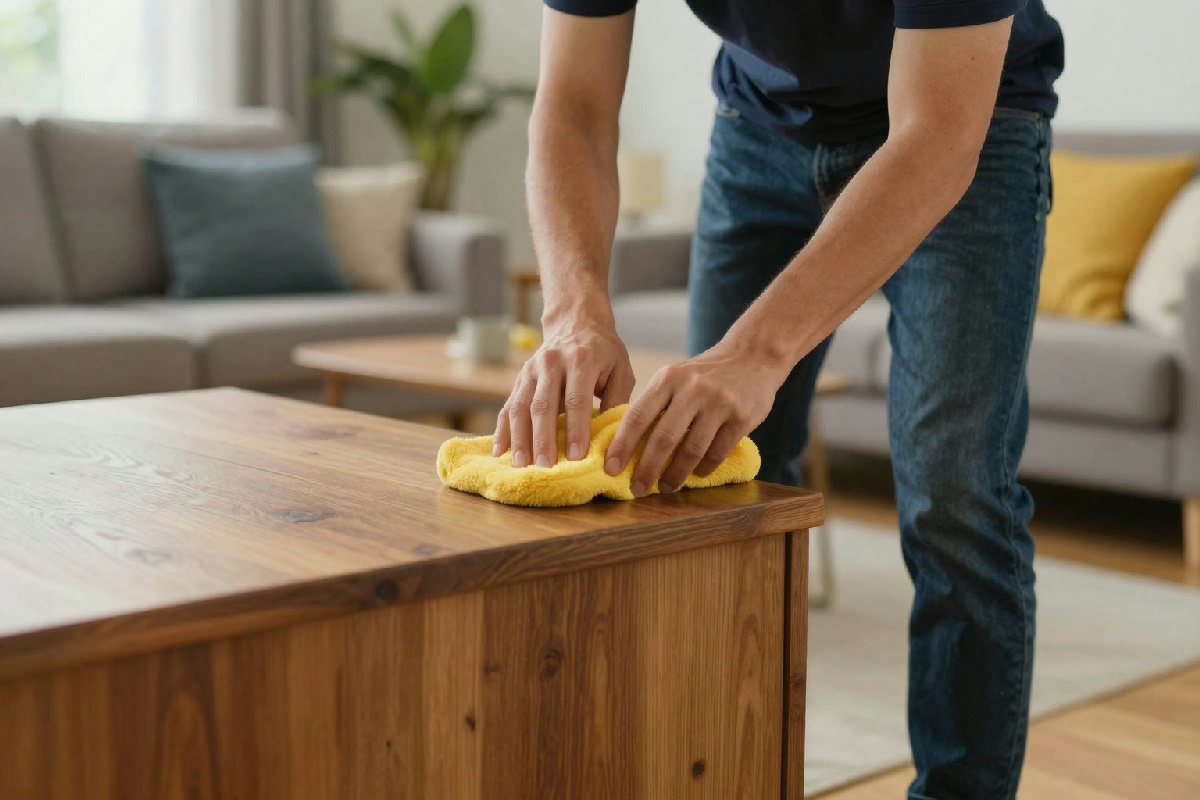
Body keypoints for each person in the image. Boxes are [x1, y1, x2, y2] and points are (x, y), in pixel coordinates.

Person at [495, 0, 1063, 796]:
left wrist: (757, 353)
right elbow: (574, 104)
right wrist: (571, 312)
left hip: (963, 126)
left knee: (954, 495)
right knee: (707, 480)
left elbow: (936, 135)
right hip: (759, 128)